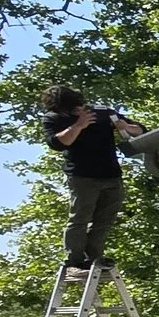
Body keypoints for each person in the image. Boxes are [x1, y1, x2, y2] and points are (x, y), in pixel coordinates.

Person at [41, 86, 145, 269]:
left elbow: (141, 131)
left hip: (111, 175)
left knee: (104, 220)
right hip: (82, 176)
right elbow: (58, 143)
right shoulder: (54, 118)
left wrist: (126, 127)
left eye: (79, 107)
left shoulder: (102, 113)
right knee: (79, 219)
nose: (77, 111)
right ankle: (74, 261)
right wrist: (79, 125)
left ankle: (94, 258)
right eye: (72, 110)